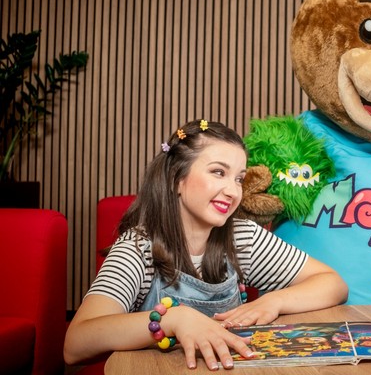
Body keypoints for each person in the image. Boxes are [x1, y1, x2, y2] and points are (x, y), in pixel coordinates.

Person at [64, 119, 348, 371]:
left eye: (239, 179)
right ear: (177, 178)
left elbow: (333, 284)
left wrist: (274, 301)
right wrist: (173, 321)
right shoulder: (137, 248)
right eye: (218, 172)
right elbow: (75, 345)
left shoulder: (242, 237)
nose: (233, 191)